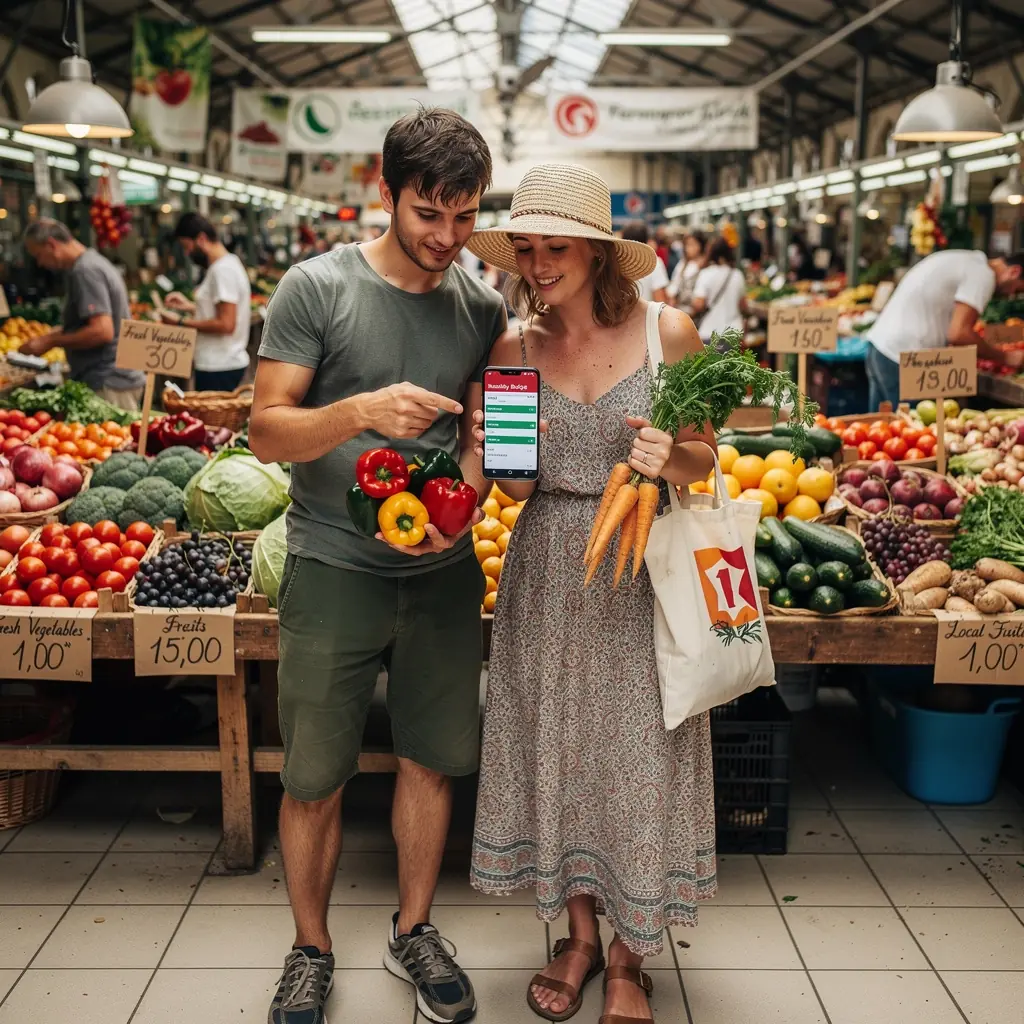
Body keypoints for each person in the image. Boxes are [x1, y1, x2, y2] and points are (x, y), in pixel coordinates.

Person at [247, 107, 503, 1024]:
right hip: (331, 568)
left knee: (432, 764)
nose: (447, 238)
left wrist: (466, 500)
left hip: (440, 575)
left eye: (466, 216)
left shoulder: (483, 306)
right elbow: (267, 430)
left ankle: (415, 928)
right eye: (429, 214)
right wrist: (359, 412)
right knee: (315, 776)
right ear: (387, 193)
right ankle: (310, 948)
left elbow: (487, 442)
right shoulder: (315, 289)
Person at [464, 163, 717, 1024]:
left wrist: (666, 457)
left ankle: (628, 955)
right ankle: (575, 937)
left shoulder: (667, 335)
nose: (537, 264)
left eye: (555, 247)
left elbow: (705, 457)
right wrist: (500, 448)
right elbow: (513, 491)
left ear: (599, 252)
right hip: (546, 574)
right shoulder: (512, 349)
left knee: (642, 759)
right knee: (558, 750)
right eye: (525, 248)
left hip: (646, 573)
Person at [865, 249, 1024, 411]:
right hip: (903, 360)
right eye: (1017, 290)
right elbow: (959, 334)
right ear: (1014, 272)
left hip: (881, 348)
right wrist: (1005, 357)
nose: (1011, 295)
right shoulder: (983, 275)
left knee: (880, 427)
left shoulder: (969, 262)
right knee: (909, 429)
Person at [21, 219, 145, 409]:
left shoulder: (85, 271)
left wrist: (51, 341)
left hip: (108, 381)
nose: (40, 263)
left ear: (52, 244)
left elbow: (102, 331)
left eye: (38, 255)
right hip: (114, 377)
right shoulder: (92, 262)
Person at [164, 214, 253, 392]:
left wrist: (180, 322)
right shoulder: (227, 264)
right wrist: (190, 307)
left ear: (201, 239)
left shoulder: (222, 270)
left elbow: (226, 323)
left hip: (219, 364)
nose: (187, 254)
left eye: (186, 247)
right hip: (221, 362)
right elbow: (219, 312)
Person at [690, 236, 748, 345]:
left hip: (709, 332)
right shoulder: (737, 275)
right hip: (733, 333)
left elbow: (698, 304)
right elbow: (743, 305)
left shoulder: (706, 274)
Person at [620, 221, 669, 302]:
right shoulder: (655, 262)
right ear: (646, 240)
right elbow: (659, 299)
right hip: (647, 313)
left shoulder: (617, 263)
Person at [667, 231, 706, 311]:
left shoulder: (706, 266)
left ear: (701, 245)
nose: (688, 248)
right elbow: (674, 284)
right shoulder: (683, 264)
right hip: (681, 309)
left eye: (692, 244)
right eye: (687, 245)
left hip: (698, 312)